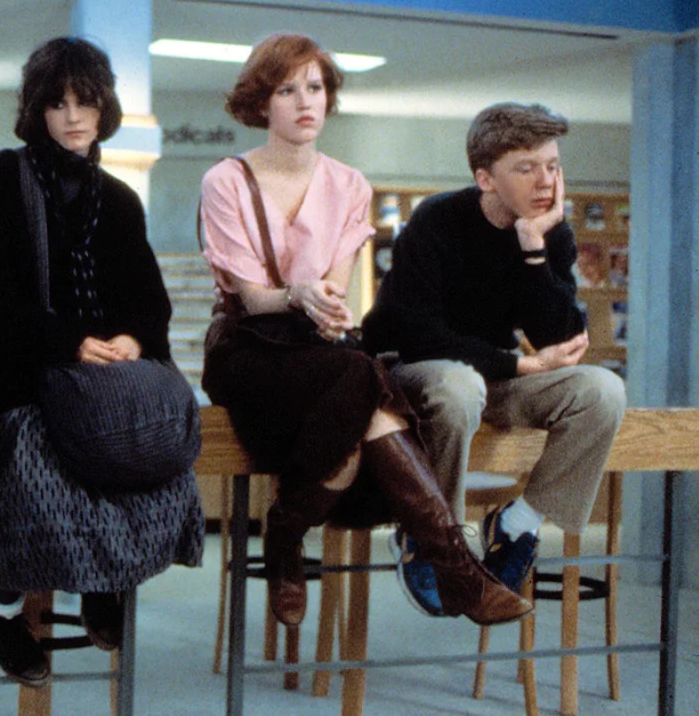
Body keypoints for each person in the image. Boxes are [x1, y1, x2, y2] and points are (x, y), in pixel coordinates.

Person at [198, 33, 532, 629]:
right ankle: (451, 566)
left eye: (316, 87)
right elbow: (250, 299)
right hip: (249, 348)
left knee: (356, 398)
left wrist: (321, 305)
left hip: (319, 350)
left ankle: (293, 536)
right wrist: (298, 295)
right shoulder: (226, 180)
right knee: (364, 385)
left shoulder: (350, 184)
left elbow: (334, 291)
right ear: (262, 102)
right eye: (287, 90)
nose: (306, 101)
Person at [0, 37, 204, 687]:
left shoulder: (118, 199)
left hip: (97, 383)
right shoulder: (0, 177)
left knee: (150, 456)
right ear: (36, 109)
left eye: (85, 102)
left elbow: (148, 301)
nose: (72, 116)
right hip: (17, 378)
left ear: (103, 109)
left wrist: (132, 340)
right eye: (57, 102)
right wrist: (66, 342)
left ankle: (105, 581)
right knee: (36, 463)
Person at [362, 102, 626, 614]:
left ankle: (517, 525)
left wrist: (534, 249)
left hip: (491, 378)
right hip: (414, 371)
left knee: (603, 390)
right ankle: (431, 537)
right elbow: (417, 333)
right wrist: (522, 365)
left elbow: (562, 337)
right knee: (459, 385)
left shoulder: (550, 232)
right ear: (486, 178)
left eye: (552, 165)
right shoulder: (437, 220)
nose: (545, 181)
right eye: (526, 168)